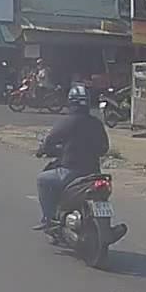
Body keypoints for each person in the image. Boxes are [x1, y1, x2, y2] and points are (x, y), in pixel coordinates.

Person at [33, 83, 110, 230]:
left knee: (43, 180)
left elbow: (49, 141)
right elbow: (104, 148)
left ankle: (49, 219)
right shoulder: (96, 123)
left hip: (71, 172)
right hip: (94, 172)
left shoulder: (66, 122)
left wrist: (43, 150)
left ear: (70, 102)